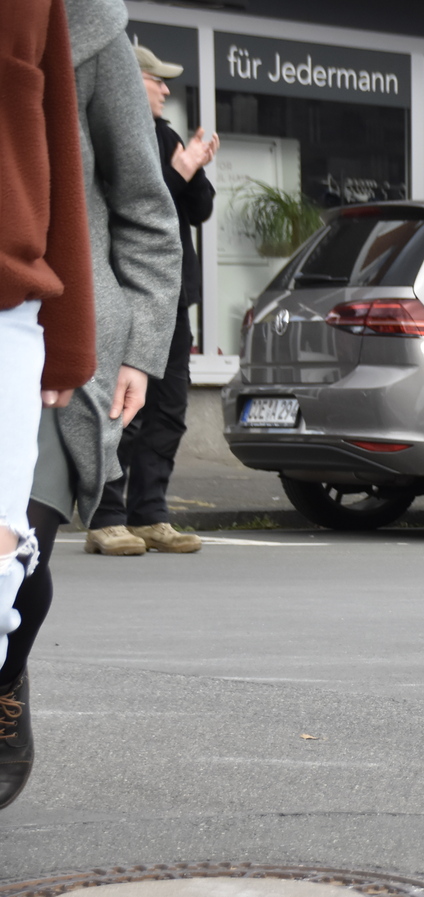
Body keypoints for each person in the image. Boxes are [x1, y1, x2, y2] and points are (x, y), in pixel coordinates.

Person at [2, 0, 179, 810]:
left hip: (48, 343)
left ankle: (5, 676)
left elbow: (144, 201)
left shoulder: (87, 30)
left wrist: (141, 340)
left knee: (20, 551)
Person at [0, 0, 97, 811]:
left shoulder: (72, 15)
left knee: (16, 555)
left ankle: (4, 678)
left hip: (19, 310)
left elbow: (77, 160)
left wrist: (88, 341)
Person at [86, 44, 217, 556]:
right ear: (124, 79)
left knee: (169, 409)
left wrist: (193, 166)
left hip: (173, 295)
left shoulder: (166, 135)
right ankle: (106, 517)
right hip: (125, 290)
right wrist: (178, 173)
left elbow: (200, 207)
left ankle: (150, 515)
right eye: (155, 79)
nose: (166, 88)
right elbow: (128, 206)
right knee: (123, 407)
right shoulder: (111, 137)